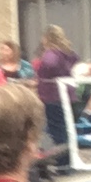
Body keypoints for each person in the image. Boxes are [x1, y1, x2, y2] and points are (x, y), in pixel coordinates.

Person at [36, 25, 79, 167]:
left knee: (58, 130)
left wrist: (45, 77)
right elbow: (75, 60)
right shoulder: (68, 53)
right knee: (66, 128)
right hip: (67, 94)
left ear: (47, 38)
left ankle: (63, 162)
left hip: (53, 96)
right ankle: (70, 159)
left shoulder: (52, 53)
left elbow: (50, 64)